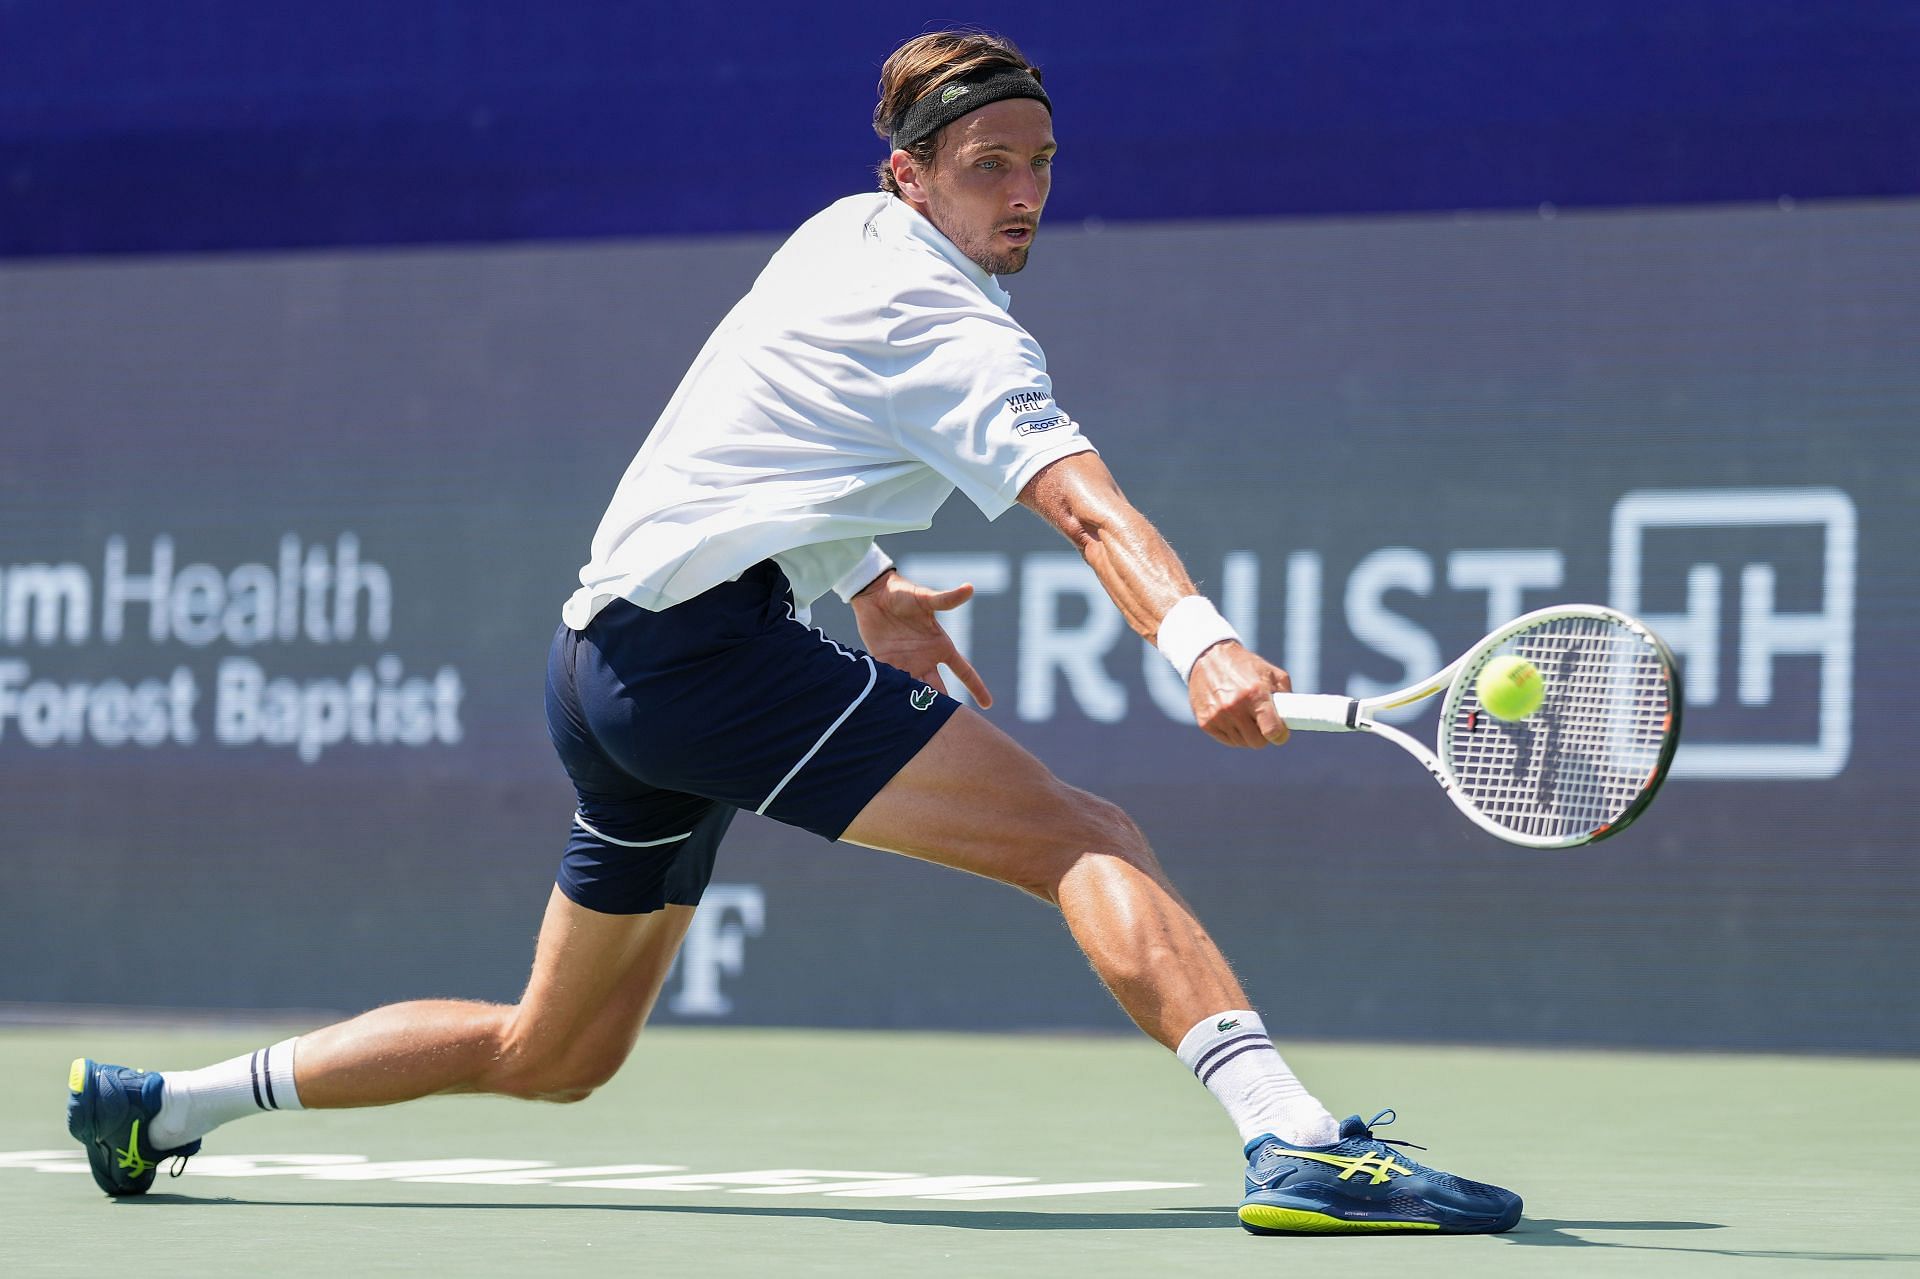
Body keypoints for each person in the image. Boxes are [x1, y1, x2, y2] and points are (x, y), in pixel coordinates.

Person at [66, 29, 1520, 1236]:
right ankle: (1292, 1140)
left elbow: (772, 430)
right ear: (913, 176)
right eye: (986, 168)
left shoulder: (842, 234)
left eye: (1039, 166)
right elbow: (1088, 510)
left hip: (600, 666)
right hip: (707, 660)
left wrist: (871, 582)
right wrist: (1199, 639)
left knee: (552, 1052)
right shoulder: (965, 339)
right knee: (1088, 836)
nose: (1021, 195)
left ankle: (168, 1108)